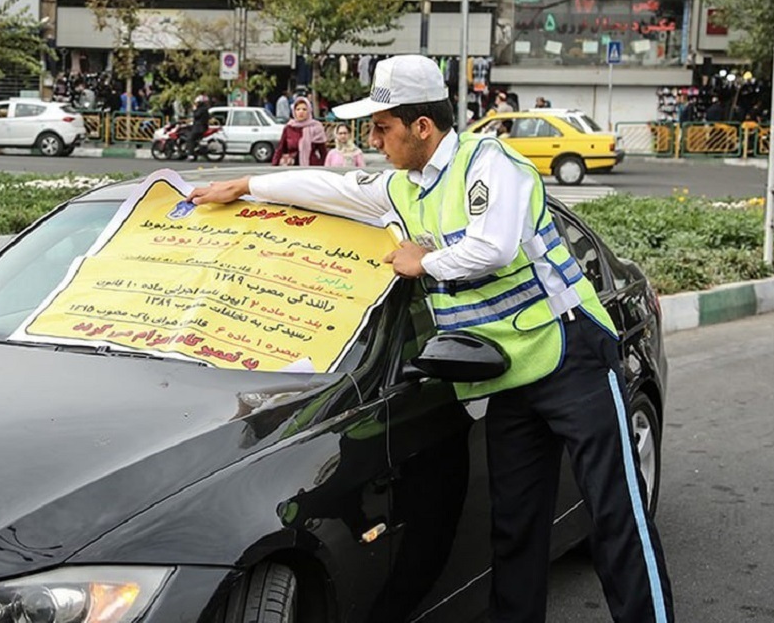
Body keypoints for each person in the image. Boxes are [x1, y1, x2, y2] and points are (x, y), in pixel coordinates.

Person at [188, 54, 674, 623]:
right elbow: (332, 187)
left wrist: (424, 261)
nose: (374, 139)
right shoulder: (405, 187)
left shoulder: (490, 165)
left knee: (617, 514)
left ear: (423, 127)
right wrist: (245, 184)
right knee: (514, 528)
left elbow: (492, 247)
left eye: (383, 127)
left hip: (573, 357)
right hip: (510, 374)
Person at [271, 95, 328, 166]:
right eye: (298, 109)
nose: (301, 112)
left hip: (312, 167)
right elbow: (280, 149)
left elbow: (323, 152)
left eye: (304, 109)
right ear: (294, 111)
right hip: (292, 167)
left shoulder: (316, 127)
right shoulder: (289, 127)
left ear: (309, 110)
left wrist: (324, 168)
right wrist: (274, 166)